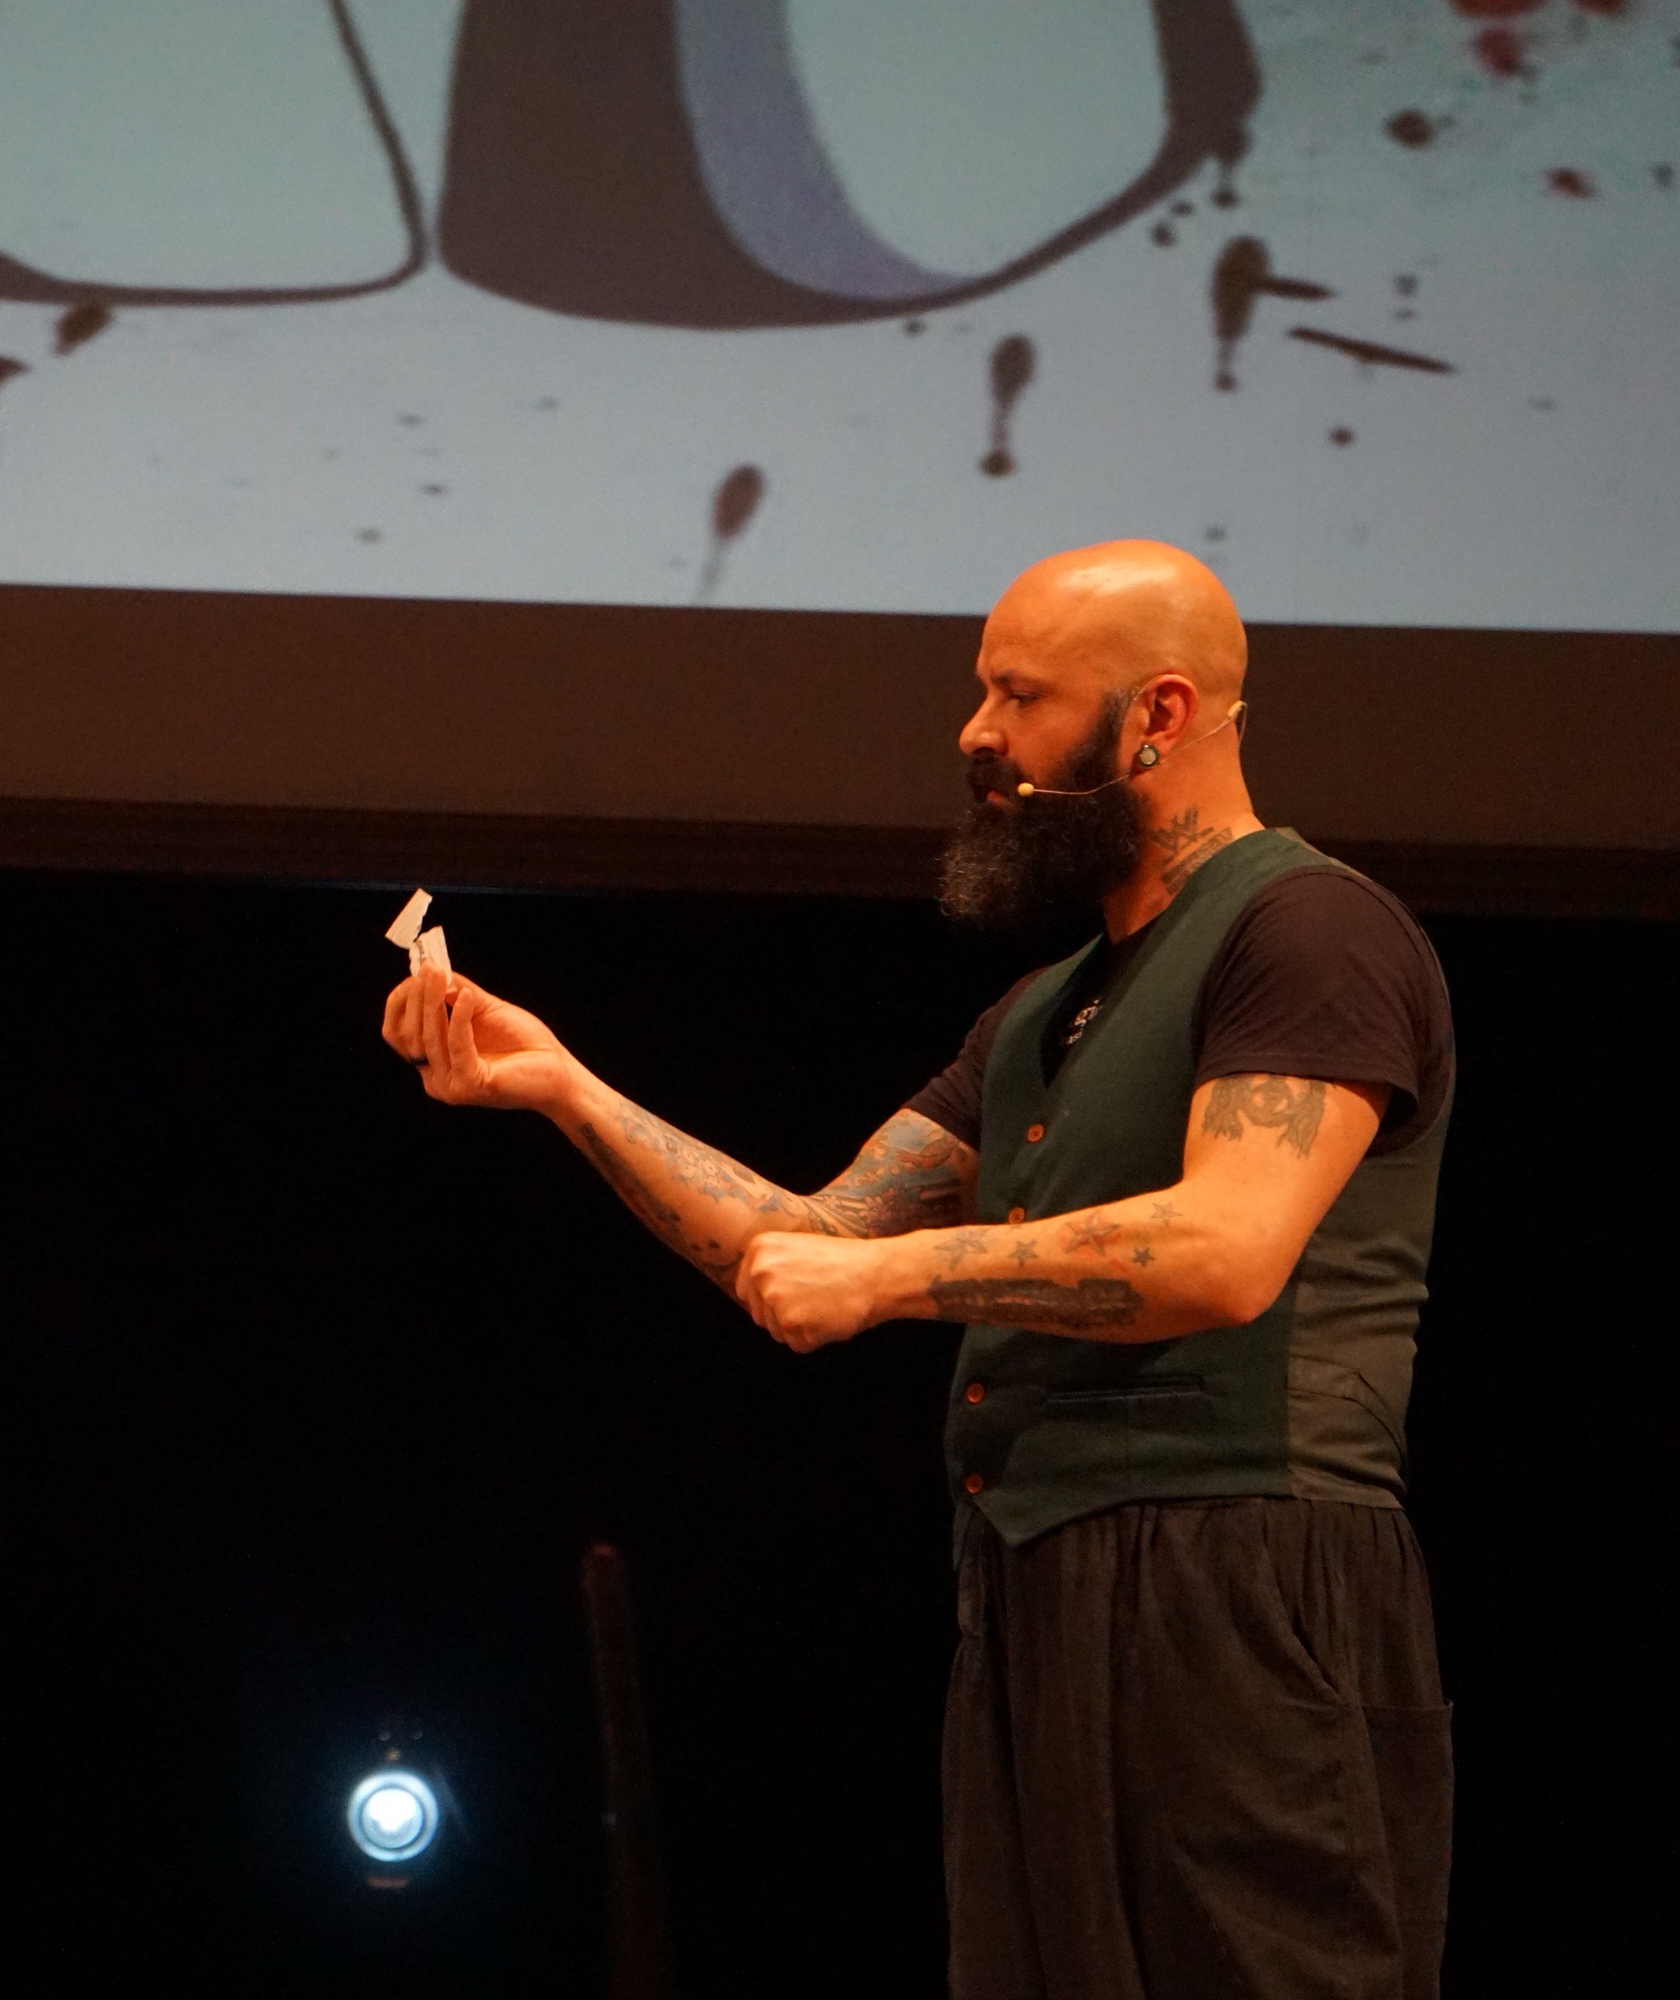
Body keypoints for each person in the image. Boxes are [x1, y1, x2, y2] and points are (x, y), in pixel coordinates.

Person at [383, 541, 1453, 1999]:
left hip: (1235, 1571)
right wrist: (567, 1088)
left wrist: (903, 1282)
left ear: (1159, 715)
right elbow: (815, 1243)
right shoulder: (1041, 1012)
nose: (976, 732)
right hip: (1036, 1578)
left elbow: (1226, 1247)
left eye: (1019, 696)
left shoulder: (1310, 930)